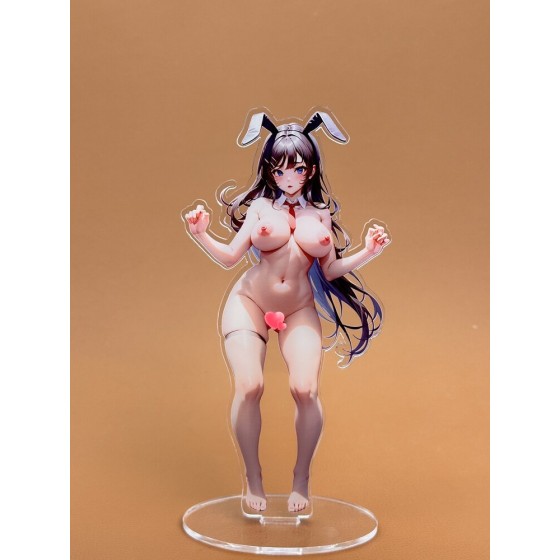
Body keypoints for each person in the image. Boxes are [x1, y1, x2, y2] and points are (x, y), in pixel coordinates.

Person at [183, 111, 390, 513]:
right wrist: (201, 234)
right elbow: (230, 257)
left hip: (297, 309)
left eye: (295, 168)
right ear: (269, 171)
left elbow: (329, 270)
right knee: (250, 386)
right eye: (277, 170)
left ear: (310, 169)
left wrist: (368, 251)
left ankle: (301, 480)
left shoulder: (320, 214)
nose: (286, 177)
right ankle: (253, 479)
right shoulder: (261, 207)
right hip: (250, 303)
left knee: (305, 389)